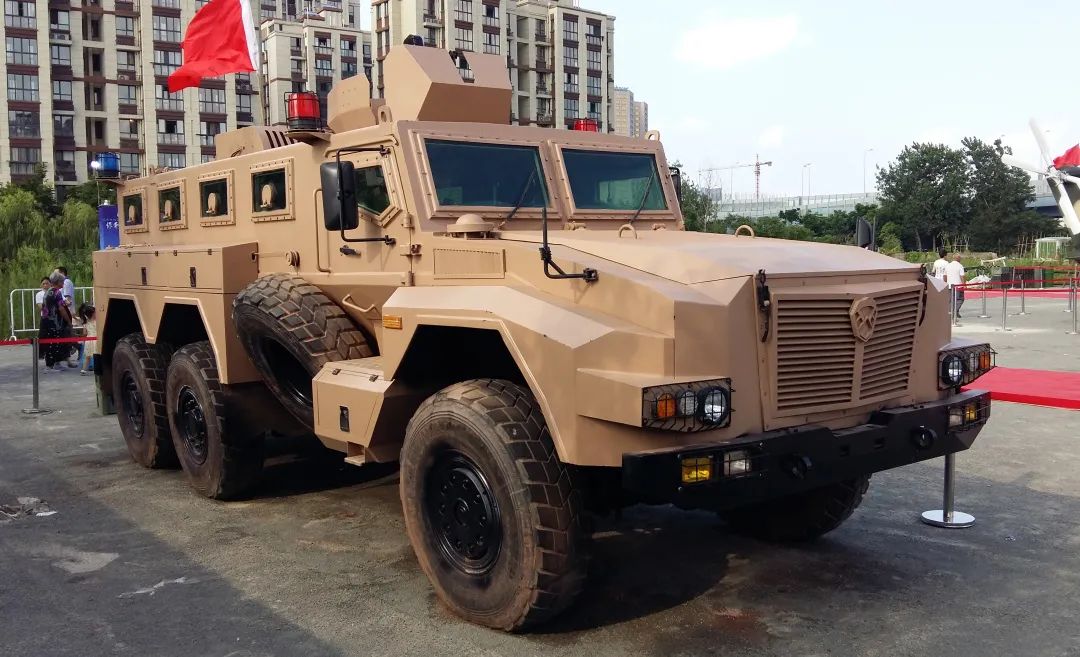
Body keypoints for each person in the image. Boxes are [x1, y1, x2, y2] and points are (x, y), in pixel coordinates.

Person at [39, 272, 70, 372]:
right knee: (53, 342)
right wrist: (68, 321)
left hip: (45, 320)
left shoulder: (48, 292)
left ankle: (56, 363)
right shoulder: (57, 292)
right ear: (58, 282)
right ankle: (50, 366)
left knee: (52, 342)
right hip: (53, 321)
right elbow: (61, 308)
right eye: (62, 281)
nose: (63, 283)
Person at [56, 266, 79, 367]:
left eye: (56, 273)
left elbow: (67, 299)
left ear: (62, 273)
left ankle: (78, 348)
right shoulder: (60, 284)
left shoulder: (66, 282)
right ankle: (67, 356)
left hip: (66, 313)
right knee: (66, 335)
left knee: (66, 335)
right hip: (62, 313)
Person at [76, 303, 97, 375]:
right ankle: (98, 369)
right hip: (96, 341)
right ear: (92, 314)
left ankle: (83, 370)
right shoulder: (97, 322)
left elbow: (84, 333)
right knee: (97, 356)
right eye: (95, 312)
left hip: (89, 341)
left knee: (87, 356)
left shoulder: (86, 323)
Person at [945, 253, 966, 318]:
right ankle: (955, 311)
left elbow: (945, 276)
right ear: (958, 258)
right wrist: (964, 284)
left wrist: (945, 283)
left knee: (951, 300)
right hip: (958, 285)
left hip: (949, 285)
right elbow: (962, 276)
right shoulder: (960, 266)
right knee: (960, 299)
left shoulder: (948, 265)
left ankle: (951, 312)